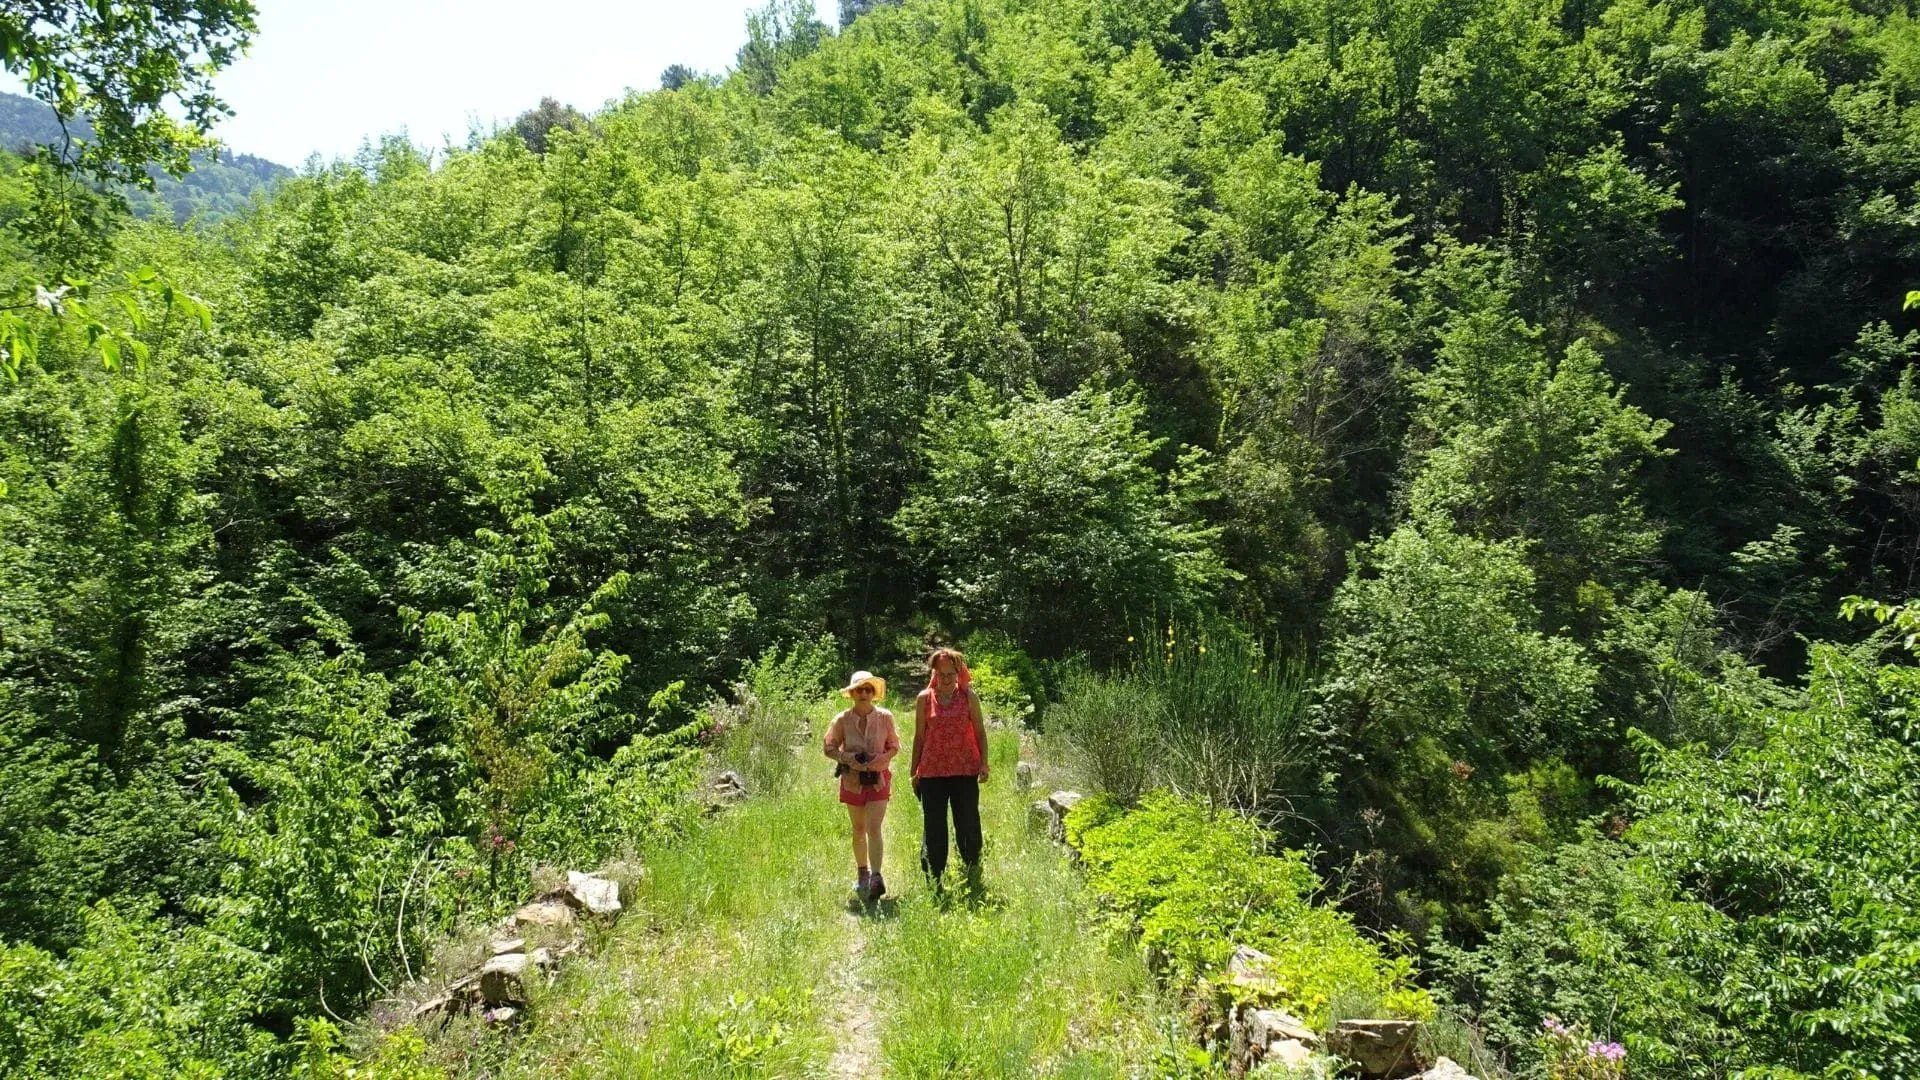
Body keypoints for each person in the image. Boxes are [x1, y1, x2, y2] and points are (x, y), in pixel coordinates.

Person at [910, 648, 990, 891]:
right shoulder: (924, 698)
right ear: (934, 673)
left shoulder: (968, 697)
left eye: (950, 674)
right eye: (940, 674)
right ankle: (934, 878)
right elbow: (919, 737)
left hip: (964, 771)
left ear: (959, 673)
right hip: (932, 773)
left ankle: (972, 870)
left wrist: (984, 762)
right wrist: (914, 770)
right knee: (934, 826)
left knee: (967, 821)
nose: (945, 679)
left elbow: (979, 732)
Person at [823, 670, 899, 902]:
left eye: (868, 689)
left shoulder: (885, 717)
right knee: (858, 828)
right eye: (859, 689)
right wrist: (848, 758)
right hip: (852, 781)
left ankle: (876, 877)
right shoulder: (842, 719)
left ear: (874, 693)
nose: (864, 693)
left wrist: (880, 760)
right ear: (852, 693)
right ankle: (862, 872)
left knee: (874, 828)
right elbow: (828, 748)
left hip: (878, 779)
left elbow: (894, 746)